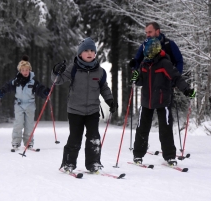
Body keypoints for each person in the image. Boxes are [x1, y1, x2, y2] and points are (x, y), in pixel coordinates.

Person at [52, 37, 117, 173]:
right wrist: (56, 71)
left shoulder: (100, 71)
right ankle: (68, 163)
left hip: (93, 111)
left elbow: (104, 88)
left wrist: (110, 101)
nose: (89, 53)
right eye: (86, 50)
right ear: (80, 53)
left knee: (94, 138)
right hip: (75, 110)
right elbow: (58, 80)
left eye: (92, 50)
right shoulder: (73, 68)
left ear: (95, 54)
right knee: (75, 138)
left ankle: (93, 163)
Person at [130, 37, 196, 166]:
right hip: (146, 101)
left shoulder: (164, 63)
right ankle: (138, 155)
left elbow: (176, 77)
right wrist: (136, 77)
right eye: (147, 50)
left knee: (165, 129)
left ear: (157, 50)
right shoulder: (144, 64)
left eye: (151, 50)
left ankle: (170, 156)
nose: (148, 52)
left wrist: (187, 90)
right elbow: (140, 81)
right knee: (142, 128)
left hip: (162, 101)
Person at [0, 55, 50, 150]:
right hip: (19, 104)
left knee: (29, 124)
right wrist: (2, 91)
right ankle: (16, 142)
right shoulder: (15, 82)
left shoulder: (33, 82)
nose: (25, 72)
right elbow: (7, 87)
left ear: (30, 70)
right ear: (20, 71)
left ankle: (28, 143)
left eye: (27, 70)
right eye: (23, 70)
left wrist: (45, 92)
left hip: (30, 105)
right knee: (19, 123)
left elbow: (40, 90)